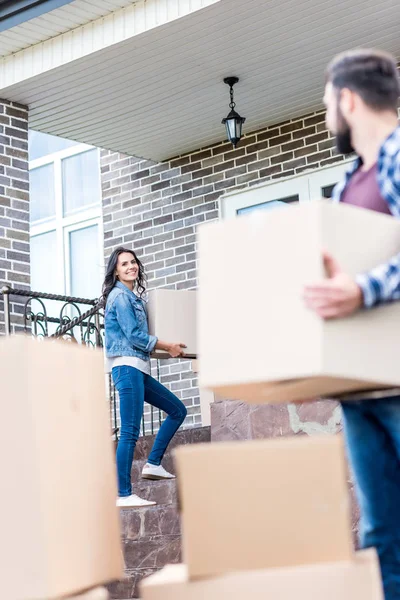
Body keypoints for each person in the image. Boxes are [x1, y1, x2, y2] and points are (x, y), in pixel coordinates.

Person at [303, 49, 400, 599]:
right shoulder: (349, 183)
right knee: (382, 535)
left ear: (348, 100)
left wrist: (362, 289)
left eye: (326, 103)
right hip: (361, 387)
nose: (324, 116)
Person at [102, 246, 188, 508]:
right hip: (127, 368)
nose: (131, 267)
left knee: (177, 410)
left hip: (138, 368)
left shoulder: (133, 297)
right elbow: (135, 336)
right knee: (129, 432)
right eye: (124, 264)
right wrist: (168, 345)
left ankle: (152, 463)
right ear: (116, 271)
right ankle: (124, 494)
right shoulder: (120, 297)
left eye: (133, 262)